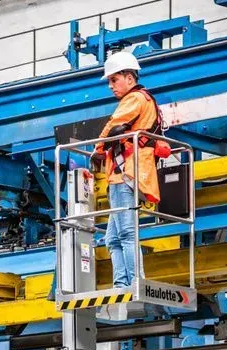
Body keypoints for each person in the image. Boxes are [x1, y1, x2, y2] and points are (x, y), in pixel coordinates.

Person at [91, 50, 169, 289]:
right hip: (127, 173)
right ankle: (121, 283)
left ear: (129, 77)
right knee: (112, 238)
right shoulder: (145, 100)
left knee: (125, 234)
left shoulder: (134, 99)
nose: (111, 86)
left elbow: (115, 126)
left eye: (114, 80)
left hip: (126, 174)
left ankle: (135, 281)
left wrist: (98, 150)